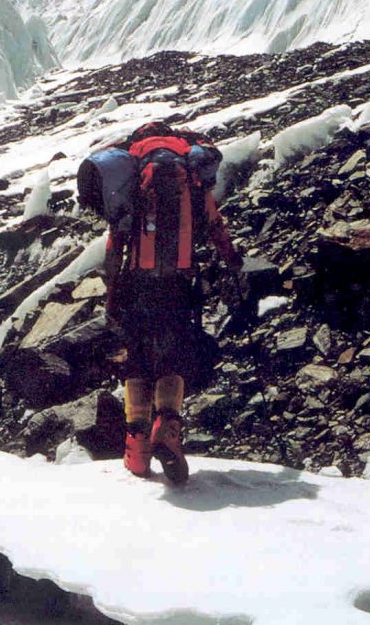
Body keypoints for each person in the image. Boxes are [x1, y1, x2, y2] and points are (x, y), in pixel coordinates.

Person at [99, 124, 243, 484]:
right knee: (173, 355)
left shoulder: (132, 174)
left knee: (137, 358)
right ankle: (168, 426)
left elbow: (116, 238)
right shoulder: (191, 176)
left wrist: (112, 290)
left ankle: (136, 447)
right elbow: (214, 224)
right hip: (179, 282)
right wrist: (233, 262)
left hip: (136, 282)